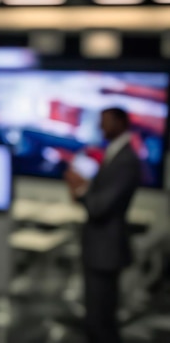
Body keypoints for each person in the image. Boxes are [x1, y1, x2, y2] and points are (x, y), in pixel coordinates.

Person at [64, 107, 141, 343]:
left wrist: (82, 188)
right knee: (97, 318)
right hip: (100, 248)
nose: (101, 127)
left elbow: (100, 206)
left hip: (105, 250)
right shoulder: (116, 153)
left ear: (120, 123)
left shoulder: (126, 159)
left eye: (105, 122)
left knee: (100, 323)